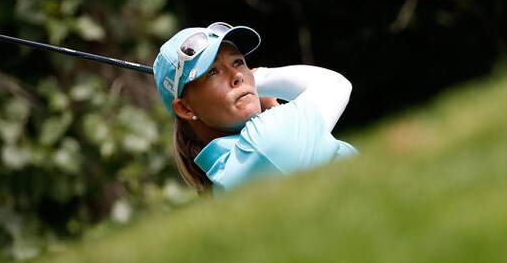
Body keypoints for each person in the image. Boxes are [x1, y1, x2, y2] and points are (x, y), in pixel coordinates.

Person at [152, 22, 358, 195]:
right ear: (186, 109)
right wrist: (262, 79)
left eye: (238, 62)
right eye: (213, 72)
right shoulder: (263, 145)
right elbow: (334, 85)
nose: (237, 75)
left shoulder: (225, 176)